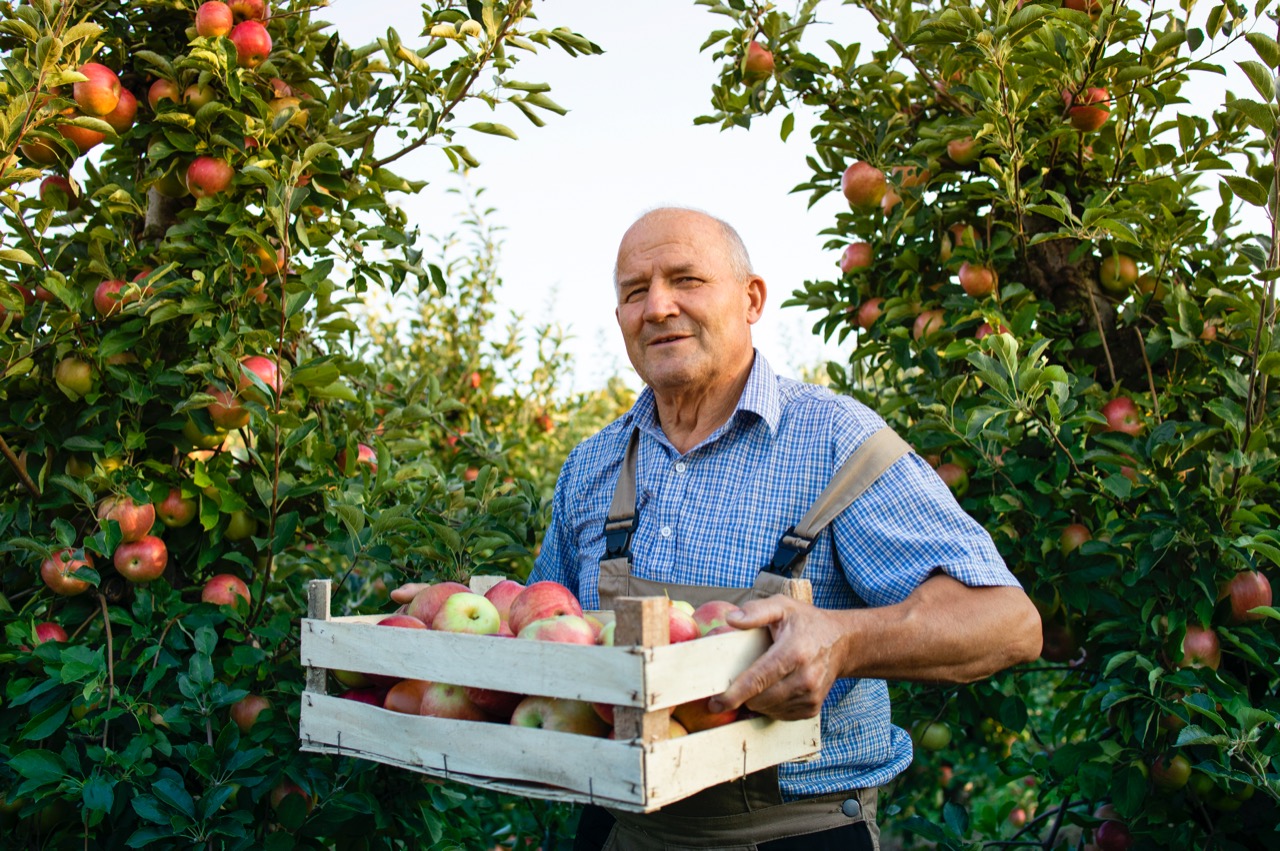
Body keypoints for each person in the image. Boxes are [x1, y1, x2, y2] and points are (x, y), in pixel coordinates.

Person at [528, 207, 1043, 851]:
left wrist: (844, 641)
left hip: (792, 830)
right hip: (618, 829)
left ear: (751, 300)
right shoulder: (593, 465)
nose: (658, 307)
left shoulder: (837, 443)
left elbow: (1008, 623)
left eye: (686, 280)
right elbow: (541, 633)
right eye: (635, 291)